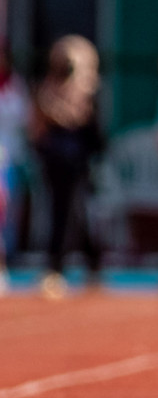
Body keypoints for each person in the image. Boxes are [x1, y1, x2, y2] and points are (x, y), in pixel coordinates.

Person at [33, 36, 104, 299]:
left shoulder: (86, 92)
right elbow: (39, 125)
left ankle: (86, 260)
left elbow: (87, 124)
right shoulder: (47, 89)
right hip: (54, 160)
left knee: (77, 211)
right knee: (60, 211)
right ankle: (57, 265)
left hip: (78, 161)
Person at [0, 41, 30, 295]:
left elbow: (25, 119)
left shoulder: (15, 86)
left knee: (6, 213)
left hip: (8, 159)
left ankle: (6, 260)